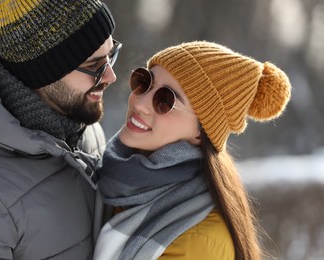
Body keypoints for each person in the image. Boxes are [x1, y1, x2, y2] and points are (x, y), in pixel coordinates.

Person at [0, 0, 121, 259]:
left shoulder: (75, 121)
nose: (111, 75)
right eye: (93, 65)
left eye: (111, 53)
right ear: (42, 72)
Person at [93, 41, 291, 260]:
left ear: (200, 131)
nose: (140, 103)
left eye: (165, 100)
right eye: (145, 82)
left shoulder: (197, 244)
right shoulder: (120, 182)